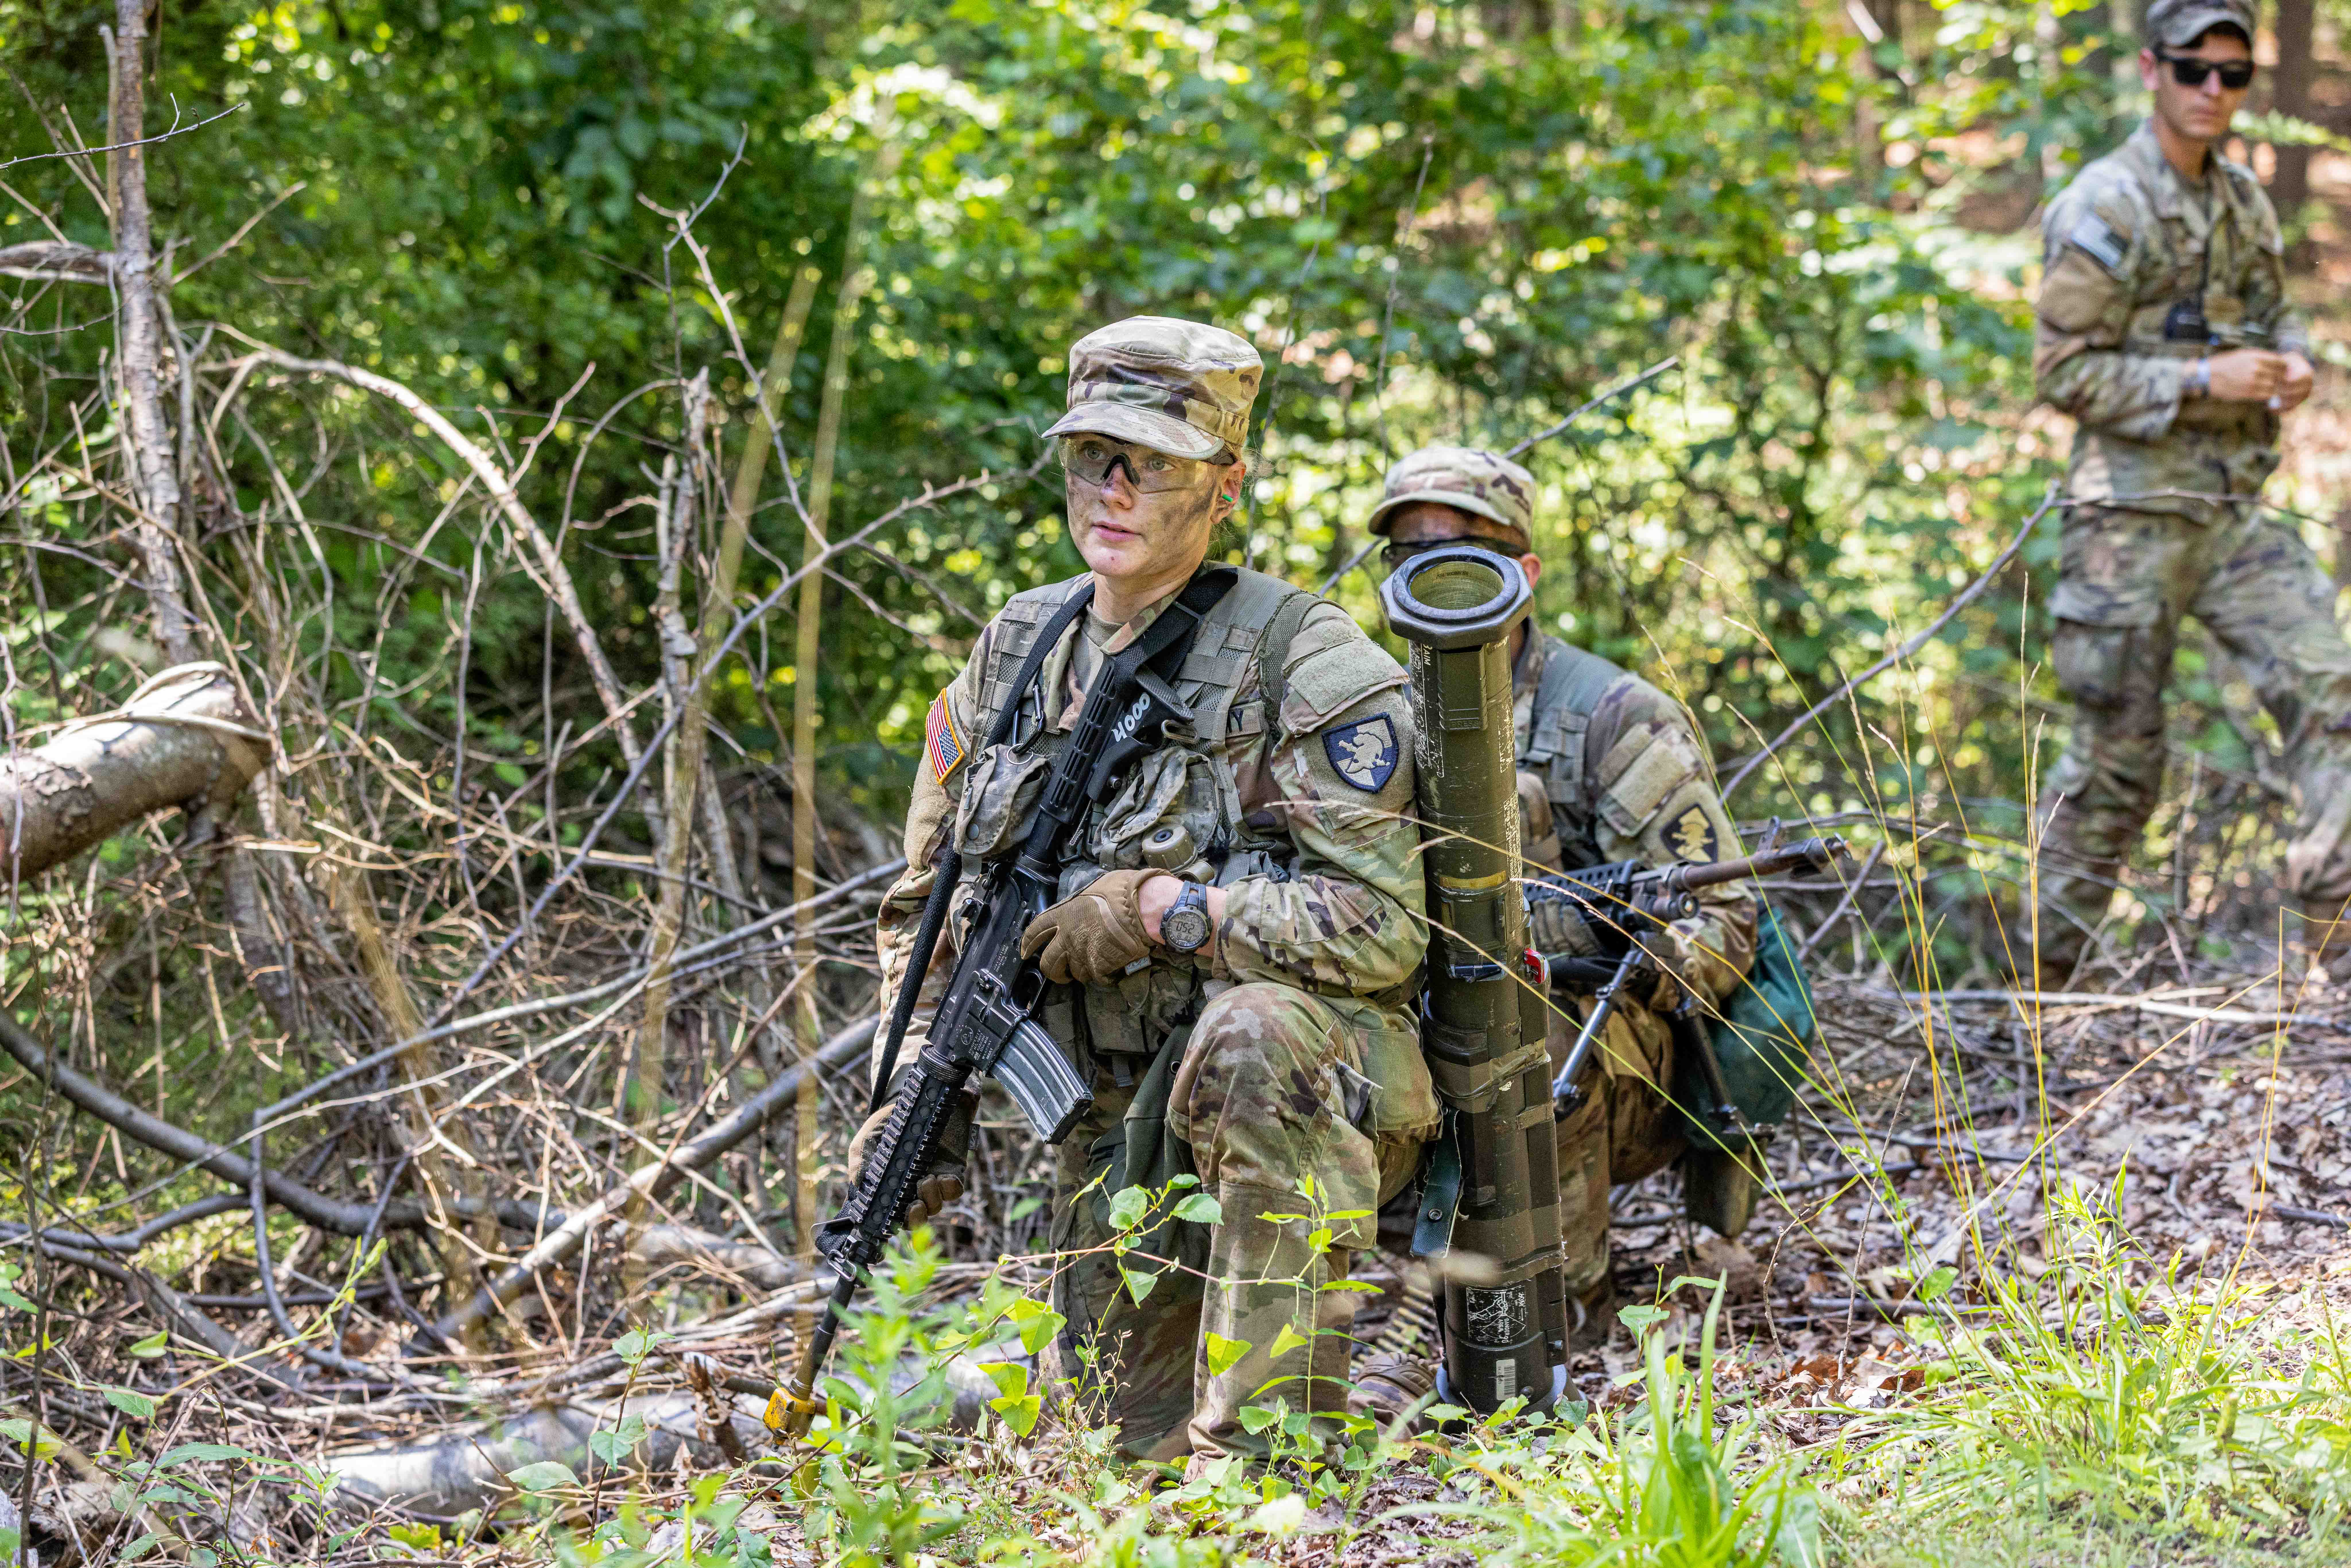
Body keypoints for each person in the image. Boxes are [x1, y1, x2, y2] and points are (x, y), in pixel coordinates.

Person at [863, 316, 1437, 1473]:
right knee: (1117, 1447)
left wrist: (1167, 907)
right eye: (1092, 458)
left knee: (1251, 1032)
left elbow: (1384, 929)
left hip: (1297, 1089)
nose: (1112, 490)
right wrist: (914, 1078)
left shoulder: (1306, 663)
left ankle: (1272, 1463)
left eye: (1153, 465)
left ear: (1226, 486)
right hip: (1106, 1135)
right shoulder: (1016, 648)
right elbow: (923, 902)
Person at [1362, 445, 1757, 1342]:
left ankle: (1557, 1311)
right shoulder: (1366, 710)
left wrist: (1596, 945)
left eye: (1462, 548)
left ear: (1524, 572)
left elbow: (1726, 918)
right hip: (1416, 1015)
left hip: (1600, 1062)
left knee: (1521, 1022)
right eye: (1408, 553)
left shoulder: (1612, 715)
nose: (1432, 570)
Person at [2030, 0, 2348, 977]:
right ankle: (2036, 1002)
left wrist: (2290, 365)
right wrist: (2200, 381)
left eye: (2234, 75)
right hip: (2127, 520)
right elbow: (2063, 373)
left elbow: (2274, 318)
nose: (2214, 91)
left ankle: (2335, 957)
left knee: (2331, 691)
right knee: (2119, 767)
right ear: (2152, 70)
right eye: (2193, 69)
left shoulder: (2243, 202)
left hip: (2228, 513)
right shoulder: (2107, 204)